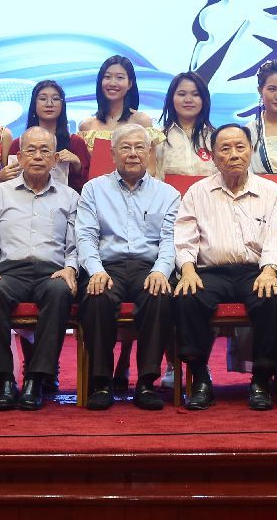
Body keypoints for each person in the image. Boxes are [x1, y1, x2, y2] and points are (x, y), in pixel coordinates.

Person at [174, 123, 277, 411]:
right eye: (225, 149)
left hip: (255, 271)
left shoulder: (271, 192)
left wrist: (270, 270)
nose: (234, 154)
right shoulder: (197, 192)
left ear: (251, 150)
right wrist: (187, 270)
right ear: (213, 156)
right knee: (188, 295)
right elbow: (185, 237)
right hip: (210, 272)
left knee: (272, 298)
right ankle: (200, 379)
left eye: (240, 147)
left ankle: (261, 379)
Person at [0, 127, 80, 410]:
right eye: (31, 150)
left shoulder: (70, 197)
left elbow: (74, 246)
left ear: (55, 159)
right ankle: (4, 380)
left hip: (52, 271)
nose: (37, 156)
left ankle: (36, 378)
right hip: (10, 271)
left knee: (60, 291)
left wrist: (71, 268)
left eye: (45, 151)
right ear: (19, 157)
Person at [76, 123, 180, 410]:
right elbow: (85, 236)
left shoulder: (167, 193)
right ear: (112, 154)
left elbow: (170, 240)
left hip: (148, 266)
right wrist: (96, 271)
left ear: (149, 152)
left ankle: (146, 383)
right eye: (125, 147)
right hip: (106, 265)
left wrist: (161, 271)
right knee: (97, 296)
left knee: (159, 295)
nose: (132, 153)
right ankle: (101, 382)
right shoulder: (93, 189)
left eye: (139, 147)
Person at [0, 79, 90, 191]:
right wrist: (2, 178)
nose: (49, 104)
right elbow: (10, 186)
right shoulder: (17, 144)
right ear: (34, 104)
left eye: (55, 99)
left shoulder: (76, 143)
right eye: (43, 99)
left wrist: (77, 165)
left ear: (62, 105)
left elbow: (88, 187)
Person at [79, 55, 162, 175]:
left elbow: (151, 169)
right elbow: (83, 171)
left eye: (120, 77)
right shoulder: (87, 126)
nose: (112, 83)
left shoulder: (142, 122)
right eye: (107, 77)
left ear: (130, 84)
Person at [157, 72, 217, 178]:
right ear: (171, 98)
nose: (188, 100)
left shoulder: (216, 138)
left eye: (196, 94)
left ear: (204, 99)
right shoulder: (158, 138)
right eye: (182, 94)